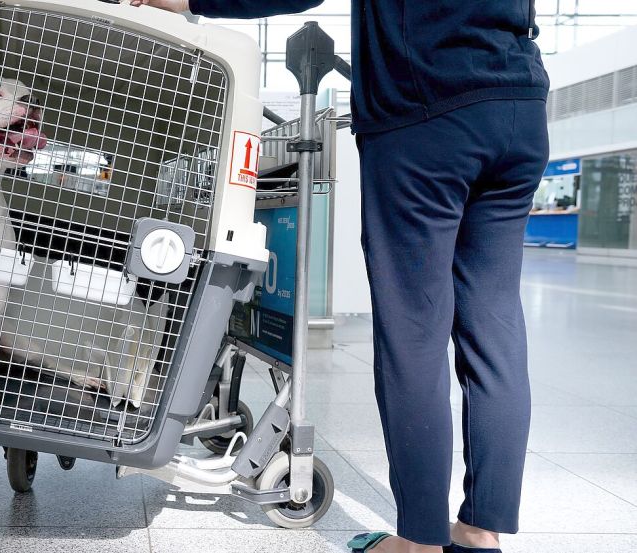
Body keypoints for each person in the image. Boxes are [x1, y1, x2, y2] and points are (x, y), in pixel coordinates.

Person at [132, 1, 549, 553]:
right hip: (518, 109)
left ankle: (420, 543)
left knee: (414, 335)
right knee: (495, 330)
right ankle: (479, 533)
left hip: (428, 112)